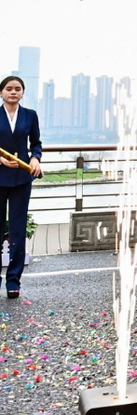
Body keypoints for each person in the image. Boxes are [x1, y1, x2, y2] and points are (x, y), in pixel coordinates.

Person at [0, 76, 42, 299]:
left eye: (17, 89)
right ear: (1, 93)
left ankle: (13, 281)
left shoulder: (30, 115)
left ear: (23, 93)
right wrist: (1, 160)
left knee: (18, 230)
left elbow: (36, 144)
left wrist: (35, 158)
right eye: (9, 88)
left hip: (22, 179)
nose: (13, 92)